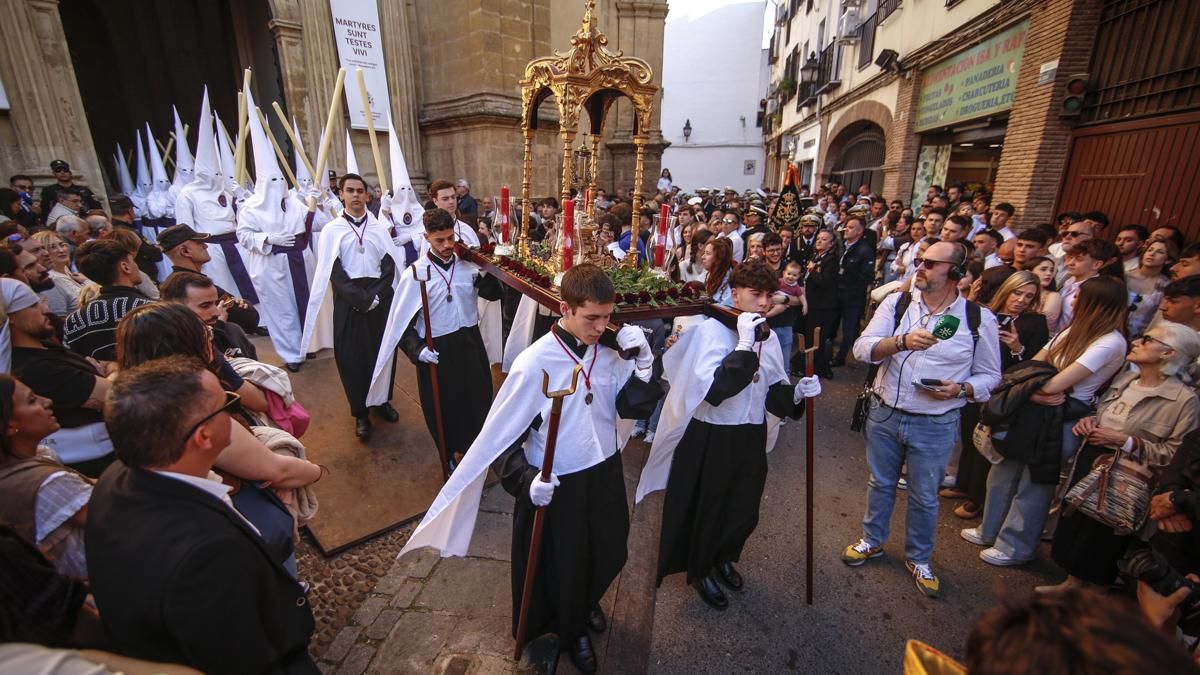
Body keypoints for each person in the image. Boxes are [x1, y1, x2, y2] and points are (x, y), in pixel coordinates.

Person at [395, 264, 659, 673]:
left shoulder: (609, 352)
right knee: (562, 564)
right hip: (557, 481)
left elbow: (629, 406)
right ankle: (566, 633)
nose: (601, 327)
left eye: (607, 317)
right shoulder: (534, 362)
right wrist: (525, 480)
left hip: (603, 469)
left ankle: (586, 603)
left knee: (608, 548)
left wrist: (644, 365)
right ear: (564, 309)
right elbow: (499, 439)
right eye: (592, 317)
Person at [85, 357, 318, 674]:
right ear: (204, 437)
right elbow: (244, 658)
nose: (232, 412)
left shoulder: (117, 477)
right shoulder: (207, 554)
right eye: (226, 405)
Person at [639, 260, 821, 610]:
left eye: (770, 295)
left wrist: (797, 394)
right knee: (710, 506)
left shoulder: (762, 333)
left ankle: (724, 555)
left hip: (750, 432)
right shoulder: (712, 331)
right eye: (757, 295)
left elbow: (771, 388)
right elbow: (715, 390)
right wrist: (743, 346)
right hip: (713, 434)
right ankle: (700, 567)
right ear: (735, 292)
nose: (765, 303)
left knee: (743, 505)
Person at [843, 241, 1001, 598]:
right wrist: (900, 342)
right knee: (880, 483)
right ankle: (872, 541)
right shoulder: (897, 303)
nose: (920, 267)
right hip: (885, 413)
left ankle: (919, 559)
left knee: (925, 496)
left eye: (930, 263)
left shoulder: (977, 319)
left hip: (936, 422)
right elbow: (862, 349)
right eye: (918, 261)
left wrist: (960, 389)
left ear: (956, 273)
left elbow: (991, 377)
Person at [966, 276, 1128, 566]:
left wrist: (1031, 389)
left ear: (1098, 304)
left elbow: (1056, 385)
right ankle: (989, 530)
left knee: (1034, 483)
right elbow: (1034, 365)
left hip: (1063, 417)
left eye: (1081, 298)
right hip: (1034, 408)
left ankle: (1015, 547)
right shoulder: (1071, 331)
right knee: (1003, 470)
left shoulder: (1111, 342)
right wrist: (1035, 393)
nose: (1074, 302)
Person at [1045, 322, 1200, 589]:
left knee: (1104, 537)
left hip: (1127, 476)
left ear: (1169, 353)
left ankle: (1092, 595)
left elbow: (1176, 454)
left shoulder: (1184, 400)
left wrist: (1127, 442)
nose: (1137, 341)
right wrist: (1090, 422)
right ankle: (1071, 585)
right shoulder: (1125, 379)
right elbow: (1107, 414)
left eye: (1148, 339)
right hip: (1093, 459)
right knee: (1076, 525)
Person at [367, 208, 502, 470]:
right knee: (444, 407)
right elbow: (401, 326)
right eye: (440, 240)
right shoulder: (416, 274)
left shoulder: (468, 265)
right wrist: (418, 350)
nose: (447, 245)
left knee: (479, 399)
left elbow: (494, 295)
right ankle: (449, 453)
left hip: (470, 343)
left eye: (451, 237)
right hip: (437, 348)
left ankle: (476, 451)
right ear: (426, 237)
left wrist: (485, 273)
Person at [300, 173, 401, 440]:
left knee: (383, 353)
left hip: (379, 299)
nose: (356, 195)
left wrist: (377, 296)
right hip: (349, 302)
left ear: (368, 196)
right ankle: (360, 413)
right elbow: (332, 270)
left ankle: (382, 401)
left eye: (360, 191)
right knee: (353, 359)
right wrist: (360, 299)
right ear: (341, 195)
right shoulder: (332, 230)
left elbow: (390, 265)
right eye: (350, 191)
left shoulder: (379, 228)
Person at [948, 271, 1049, 519]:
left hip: (1004, 391)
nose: (1022, 300)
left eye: (1029, 296)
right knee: (969, 435)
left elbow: (1036, 366)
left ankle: (976, 500)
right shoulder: (983, 313)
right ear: (1007, 290)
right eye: (1018, 292)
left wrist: (1018, 348)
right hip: (974, 382)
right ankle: (963, 485)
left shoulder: (1035, 323)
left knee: (987, 443)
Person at [237, 102, 317, 372]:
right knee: (282, 311)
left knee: (304, 304)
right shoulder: (250, 209)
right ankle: (291, 354)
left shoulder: (294, 202)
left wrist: (320, 204)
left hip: (299, 259)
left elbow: (314, 224)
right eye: (271, 182)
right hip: (271, 265)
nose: (278, 186)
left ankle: (308, 345)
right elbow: (244, 236)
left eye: (280, 180)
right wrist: (269, 239)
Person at [6, 279, 115, 477]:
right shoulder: (35, 369)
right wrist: (114, 374)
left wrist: (110, 373)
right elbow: (117, 394)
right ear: (9, 318)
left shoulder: (45, 350)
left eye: (40, 301)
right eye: (32, 305)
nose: (45, 309)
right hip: (95, 468)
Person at [0, 373, 92, 579]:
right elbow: (120, 514)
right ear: (9, 426)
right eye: (32, 400)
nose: (47, 401)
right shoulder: (47, 484)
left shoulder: (35, 457)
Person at [174, 90, 261, 306]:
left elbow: (241, 217)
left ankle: (258, 318)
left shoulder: (225, 190)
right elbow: (184, 229)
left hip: (236, 243)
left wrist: (242, 202)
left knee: (249, 283)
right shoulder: (187, 194)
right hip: (209, 247)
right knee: (222, 286)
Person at [63, 239, 154, 363]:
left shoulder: (74, 320)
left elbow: (75, 362)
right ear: (125, 267)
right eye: (133, 261)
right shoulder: (150, 310)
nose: (136, 266)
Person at [159, 224, 260, 334]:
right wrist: (242, 304)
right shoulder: (190, 284)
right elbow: (248, 319)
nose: (206, 246)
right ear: (185, 251)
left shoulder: (177, 282)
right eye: (199, 243)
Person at [831, 215, 874, 368]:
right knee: (832, 325)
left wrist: (851, 291)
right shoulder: (841, 245)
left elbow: (866, 277)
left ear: (860, 231)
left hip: (852, 297)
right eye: (846, 226)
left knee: (848, 329)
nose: (846, 230)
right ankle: (828, 353)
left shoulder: (864, 250)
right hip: (837, 293)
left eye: (850, 228)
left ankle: (841, 357)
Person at [31, 230, 88, 317]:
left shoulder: (66, 270)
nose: (61, 250)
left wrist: (86, 281)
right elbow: (59, 319)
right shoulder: (52, 280)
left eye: (62, 245)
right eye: (52, 247)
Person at [1127, 239, 1177, 337]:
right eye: (1150, 250)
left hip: (1139, 337)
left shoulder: (1166, 286)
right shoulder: (1124, 276)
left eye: (1160, 252)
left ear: (1168, 260)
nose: (1152, 254)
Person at [425, 179, 480, 250]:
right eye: (445, 199)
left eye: (453, 197)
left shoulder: (467, 230)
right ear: (435, 201)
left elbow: (480, 257)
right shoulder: (430, 232)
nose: (451, 201)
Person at [1026, 255, 1063, 332]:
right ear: (1029, 272)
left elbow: (1046, 325)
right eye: (1043, 269)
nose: (1049, 273)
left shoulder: (1053, 296)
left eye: (1051, 270)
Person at [701, 237, 734, 308]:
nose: (702, 257)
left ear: (718, 258)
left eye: (708, 253)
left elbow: (727, 307)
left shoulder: (729, 280)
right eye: (704, 253)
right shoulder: (709, 275)